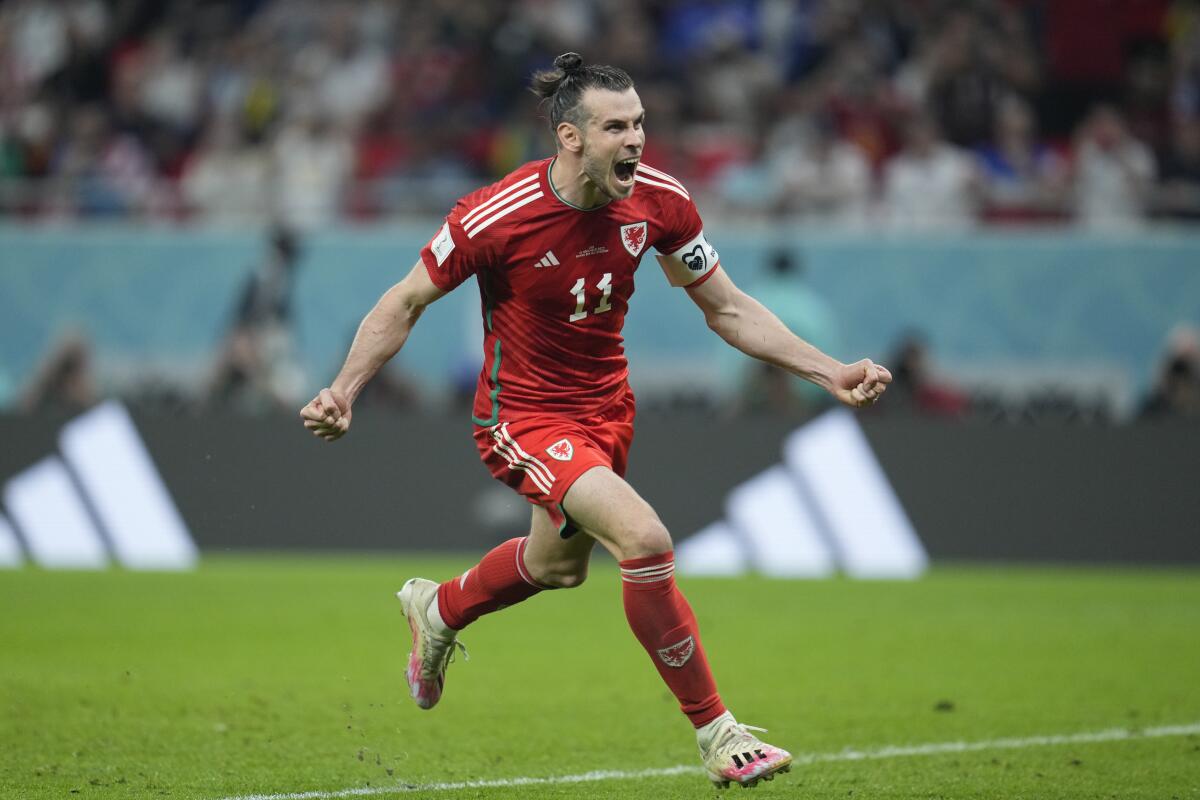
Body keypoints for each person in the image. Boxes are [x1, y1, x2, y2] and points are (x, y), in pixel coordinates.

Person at [299, 53, 891, 790]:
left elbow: (728, 308)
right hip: (523, 415)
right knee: (644, 540)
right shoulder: (495, 215)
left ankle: (436, 607)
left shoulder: (661, 203)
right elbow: (405, 301)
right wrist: (345, 389)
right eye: (617, 127)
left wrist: (829, 369)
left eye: (640, 123)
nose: (637, 140)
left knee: (556, 567)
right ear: (570, 137)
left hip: (607, 410)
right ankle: (717, 732)